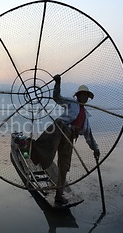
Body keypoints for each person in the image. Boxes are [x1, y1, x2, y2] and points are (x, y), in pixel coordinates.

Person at [30, 74, 100, 204]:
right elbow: (57, 98)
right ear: (78, 95)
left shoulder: (85, 117)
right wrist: (58, 83)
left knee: (64, 166)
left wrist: (95, 149)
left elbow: (89, 136)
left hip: (69, 139)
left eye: (86, 96)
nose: (84, 97)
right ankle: (34, 149)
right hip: (60, 131)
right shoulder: (71, 103)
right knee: (59, 124)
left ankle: (59, 195)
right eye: (82, 94)